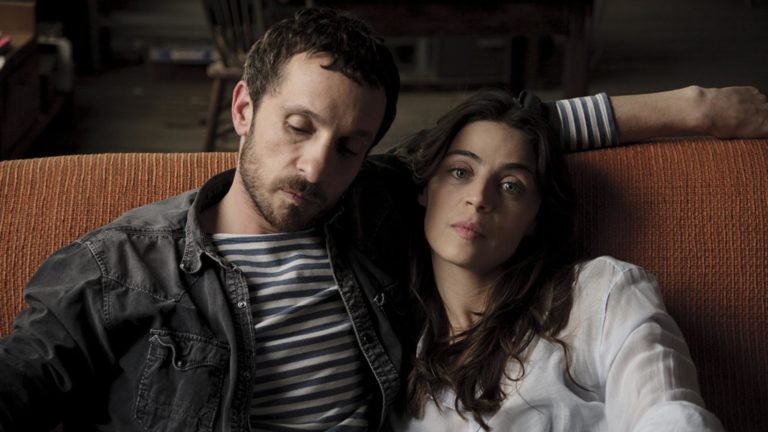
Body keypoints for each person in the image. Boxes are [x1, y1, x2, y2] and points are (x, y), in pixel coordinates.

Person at [0, 6, 765, 432]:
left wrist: (697, 110)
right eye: (298, 127)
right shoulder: (121, 266)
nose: (315, 169)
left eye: (349, 146)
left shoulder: (370, 207)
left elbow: (505, 133)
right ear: (243, 108)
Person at [390, 88, 724, 431]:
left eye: (510, 186)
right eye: (461, 171)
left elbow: (671, 417)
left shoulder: (599, 296)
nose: (478, 198)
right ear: (425, 186)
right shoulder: (386, 353)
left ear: (534, 217)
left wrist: (698, 106)